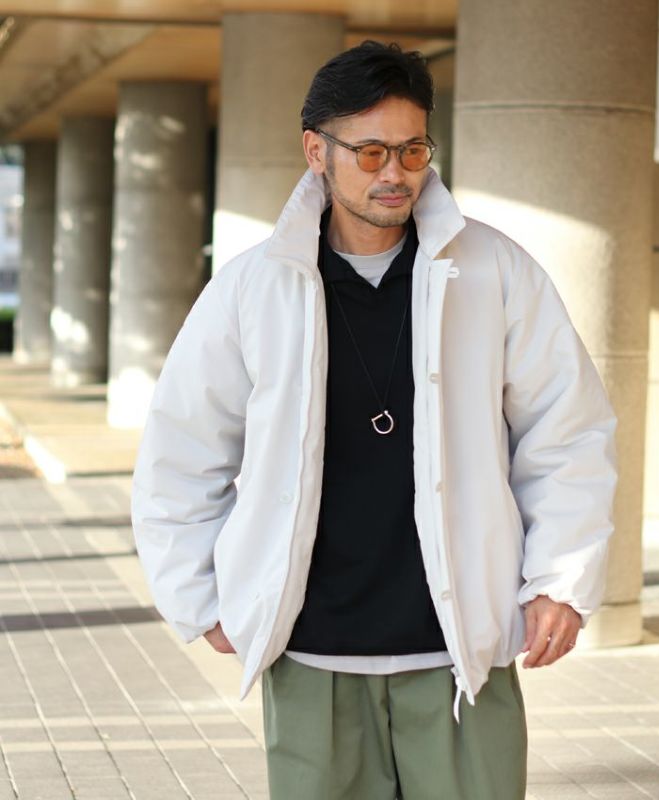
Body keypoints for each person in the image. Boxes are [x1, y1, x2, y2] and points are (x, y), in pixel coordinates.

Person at [131, 40, 617, 800]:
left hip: (460, 651)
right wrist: (199, 599)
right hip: (309, 651)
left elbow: (568, 430)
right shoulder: (255, 287)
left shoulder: (493, 270)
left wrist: (560, 578)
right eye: (370, 152)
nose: (395, 172)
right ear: (315, 152)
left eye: (412, 149)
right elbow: (183, 449)